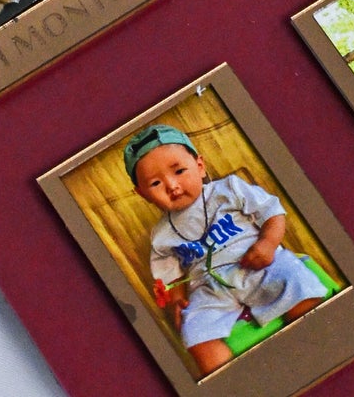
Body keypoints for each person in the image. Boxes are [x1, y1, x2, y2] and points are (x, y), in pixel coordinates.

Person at [124, 124, 331, 376]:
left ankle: (319, 348)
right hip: (209, 288)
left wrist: (267, 244)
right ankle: (236, 381)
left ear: (200, 166)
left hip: (256, 264)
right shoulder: (161, 236)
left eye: (179, 171)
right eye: (156, 183)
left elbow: (273, 213)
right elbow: (171, 276)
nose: (172, 185)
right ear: (142, 194)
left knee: (296, 279)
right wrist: (176, 301)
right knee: (195, 333)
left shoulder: (229, 189)